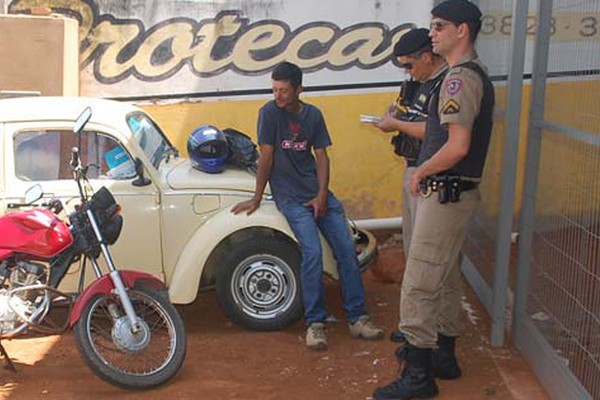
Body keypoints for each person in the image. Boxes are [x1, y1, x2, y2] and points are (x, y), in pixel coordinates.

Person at [374, 1, 495, 399]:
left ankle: (419, 376)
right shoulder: (458, 77)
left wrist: (423, 171)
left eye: (440, 26)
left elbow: (457, 145)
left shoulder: (460, 79)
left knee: (420, 281)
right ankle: (443, 354)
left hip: (445, 189)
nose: (432, 33)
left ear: (463, 31)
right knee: (440, 277)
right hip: (451, 191)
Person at [232, 61, 383, 351]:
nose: (277, 96)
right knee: (312, 252)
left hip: (318, 194)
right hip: (290, 198)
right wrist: (256, 196)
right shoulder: (268, 114)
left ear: (299, 90)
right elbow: (266, 158)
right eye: (274, 90)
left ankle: (358, 319)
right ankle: (315, 324)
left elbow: (322, 156)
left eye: (284, 91)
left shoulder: (313, 115)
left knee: (346, 252)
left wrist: (322, 194)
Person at [374, 29, 447, 323]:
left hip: (428, 173)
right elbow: (417, 121)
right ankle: (416, 322)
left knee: (423, 255)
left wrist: (396, 125)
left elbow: (435, 130)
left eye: (408, 64)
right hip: (414, 168)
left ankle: (427, 327)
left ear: (426, 57)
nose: (407, 71)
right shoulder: (422, 84)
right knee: (412, 246)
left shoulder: (446, 84)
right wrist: (398, 118)